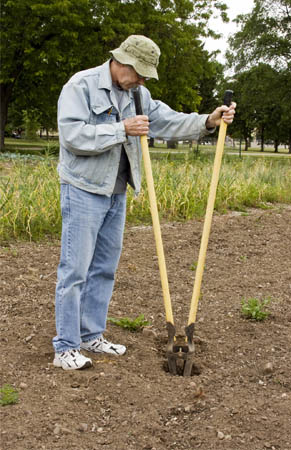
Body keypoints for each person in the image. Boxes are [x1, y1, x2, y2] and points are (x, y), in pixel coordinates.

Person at [53, 35, 236, 370]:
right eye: (139, 73)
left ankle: (91, 335)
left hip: (117, 190)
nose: (141, 80)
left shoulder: (138, 94)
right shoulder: (80, 86)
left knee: (104, 269)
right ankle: (65, 347)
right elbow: (72, 136)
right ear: (121, 61)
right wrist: (121, 128)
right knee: (75, 270)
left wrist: (208, 121)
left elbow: (165, 120)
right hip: (83, 189)